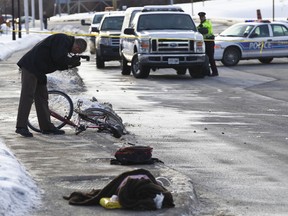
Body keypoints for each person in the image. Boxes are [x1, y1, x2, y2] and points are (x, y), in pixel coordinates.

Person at [15, 33, 87, 137]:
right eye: (76, 52)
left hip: (39, 70)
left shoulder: (65, 44)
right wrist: (72, 62)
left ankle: (46, 127)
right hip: (31, 66)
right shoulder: (62, 40)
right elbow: (58, 59)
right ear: (77, 47)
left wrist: (71, 63)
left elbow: (59, 63)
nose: (74, 54)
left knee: (42, 97)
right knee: (27, 96)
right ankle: (21, 127)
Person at [197, 12, 218, 77]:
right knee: (205, 58)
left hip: (210, 42)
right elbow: (197, 29)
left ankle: (215, 72)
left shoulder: (207, 22)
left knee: (211, 58)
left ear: (204, 17)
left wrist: (199, 28)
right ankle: (207, 72)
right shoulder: (201, 24)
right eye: (200, 17)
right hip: (205, 42)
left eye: (202, 17)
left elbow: (205, 28)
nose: (201, 18)